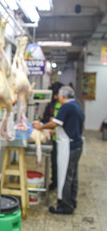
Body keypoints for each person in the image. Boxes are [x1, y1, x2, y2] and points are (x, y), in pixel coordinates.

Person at [33, 86, 84, 214]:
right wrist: (50, 129)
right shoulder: (77, 105)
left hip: (69, 146)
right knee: (73, 175)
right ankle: (72, 201)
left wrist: (41, 126)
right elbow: (67, 126)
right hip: (76, 145)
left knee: (66, 175)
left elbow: (55, 123)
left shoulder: (66, 106)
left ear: (62, 96)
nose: (57, 99)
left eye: (58, 97)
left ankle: (65, 206)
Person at [42, 82, 64, 190]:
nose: (55, 97)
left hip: (64, 139)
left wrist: (53, 121)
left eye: (56, 95)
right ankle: (55, 181)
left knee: (63, 163)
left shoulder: (65, 104)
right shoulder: (51, 104)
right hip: (54, 138)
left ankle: (62, 184)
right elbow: (45, 118)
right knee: (54, 162)